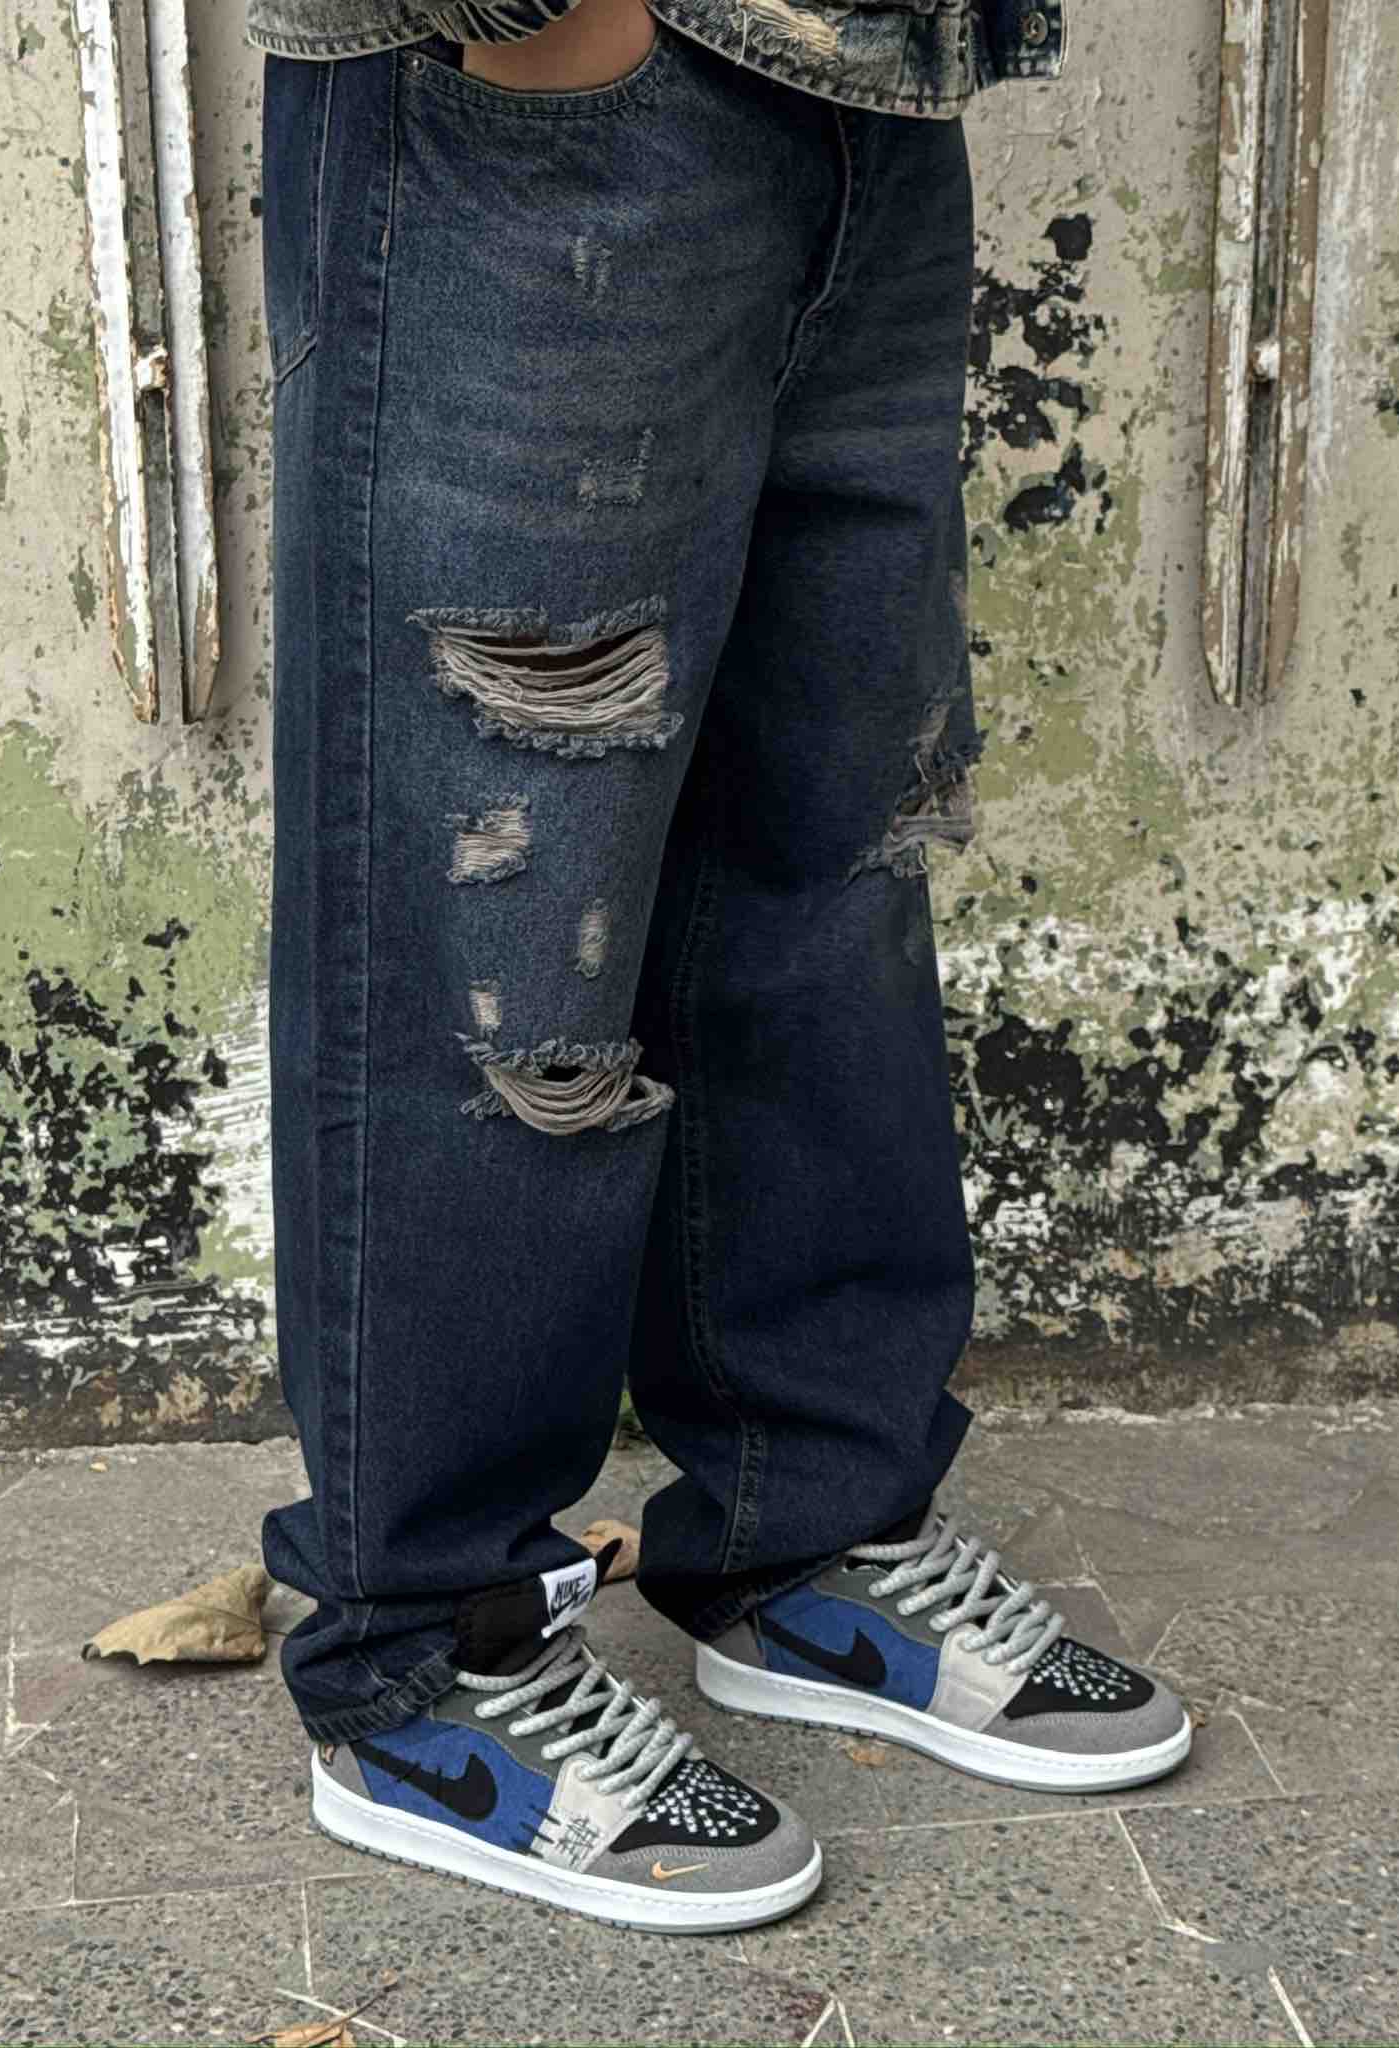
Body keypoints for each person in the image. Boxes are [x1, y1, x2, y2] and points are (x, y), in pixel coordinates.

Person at [249, 0, 1190, 1936]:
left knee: (824, 858)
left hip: (868, 82)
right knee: (496, 917)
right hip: (547, 91)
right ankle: (429, 1652)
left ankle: (805, 1532)